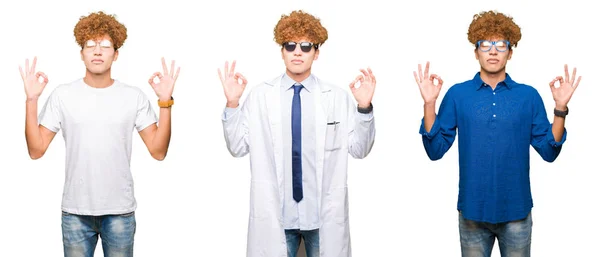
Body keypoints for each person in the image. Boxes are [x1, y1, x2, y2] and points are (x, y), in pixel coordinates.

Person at [414, 10, 581, 257]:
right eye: (486, 44)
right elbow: (435, 149)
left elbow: (549, 151)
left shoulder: (528, 96)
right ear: (476, 51)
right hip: (472, 211)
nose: (493, 51)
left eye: (501, 45)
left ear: (510, 52)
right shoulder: (458, 95)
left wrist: (560, 109)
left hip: (516, 212)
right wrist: (429, 104)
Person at [20, 11, 180, 257]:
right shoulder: (63, 95)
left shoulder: (133, 96)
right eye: (90, 45)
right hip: (75, 213)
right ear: (82, 53)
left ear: (115, 55)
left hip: (119, 213)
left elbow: (158, 151)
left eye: (105, 46)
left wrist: (165, 101)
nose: (97, 51)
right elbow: (36, 150)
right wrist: (31, 100)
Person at [218, 10, 376, 257]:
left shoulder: (336, 98)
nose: (298, 52)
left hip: (322, 216)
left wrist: (364, 108)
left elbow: (360, 149)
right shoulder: (260, 96)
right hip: (276, 217)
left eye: (305, 46)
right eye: (290, 45)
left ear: (317, 52)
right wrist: (232, 104)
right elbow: (237, 146)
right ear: (282, 51)